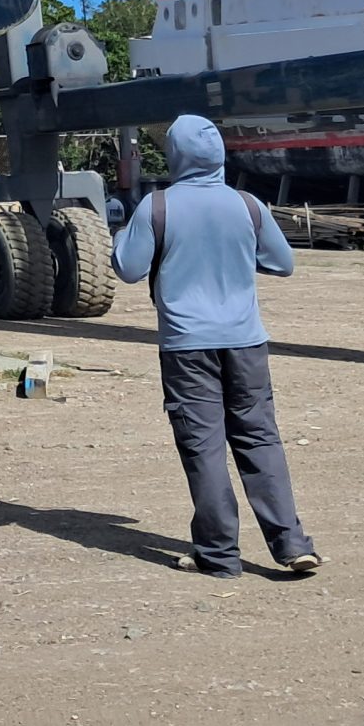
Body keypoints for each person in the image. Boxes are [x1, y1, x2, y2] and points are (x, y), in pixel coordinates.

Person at [112, 114, 322, 579]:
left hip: (187, 348)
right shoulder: (248, 205)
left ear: (175, 155)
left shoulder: (156, 207)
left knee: (203, 447)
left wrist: (120, 231)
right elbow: (283, 264)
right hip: (247, 342)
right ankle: (292, 546)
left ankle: (220, 556)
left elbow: (127, 269)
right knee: (260, 438)